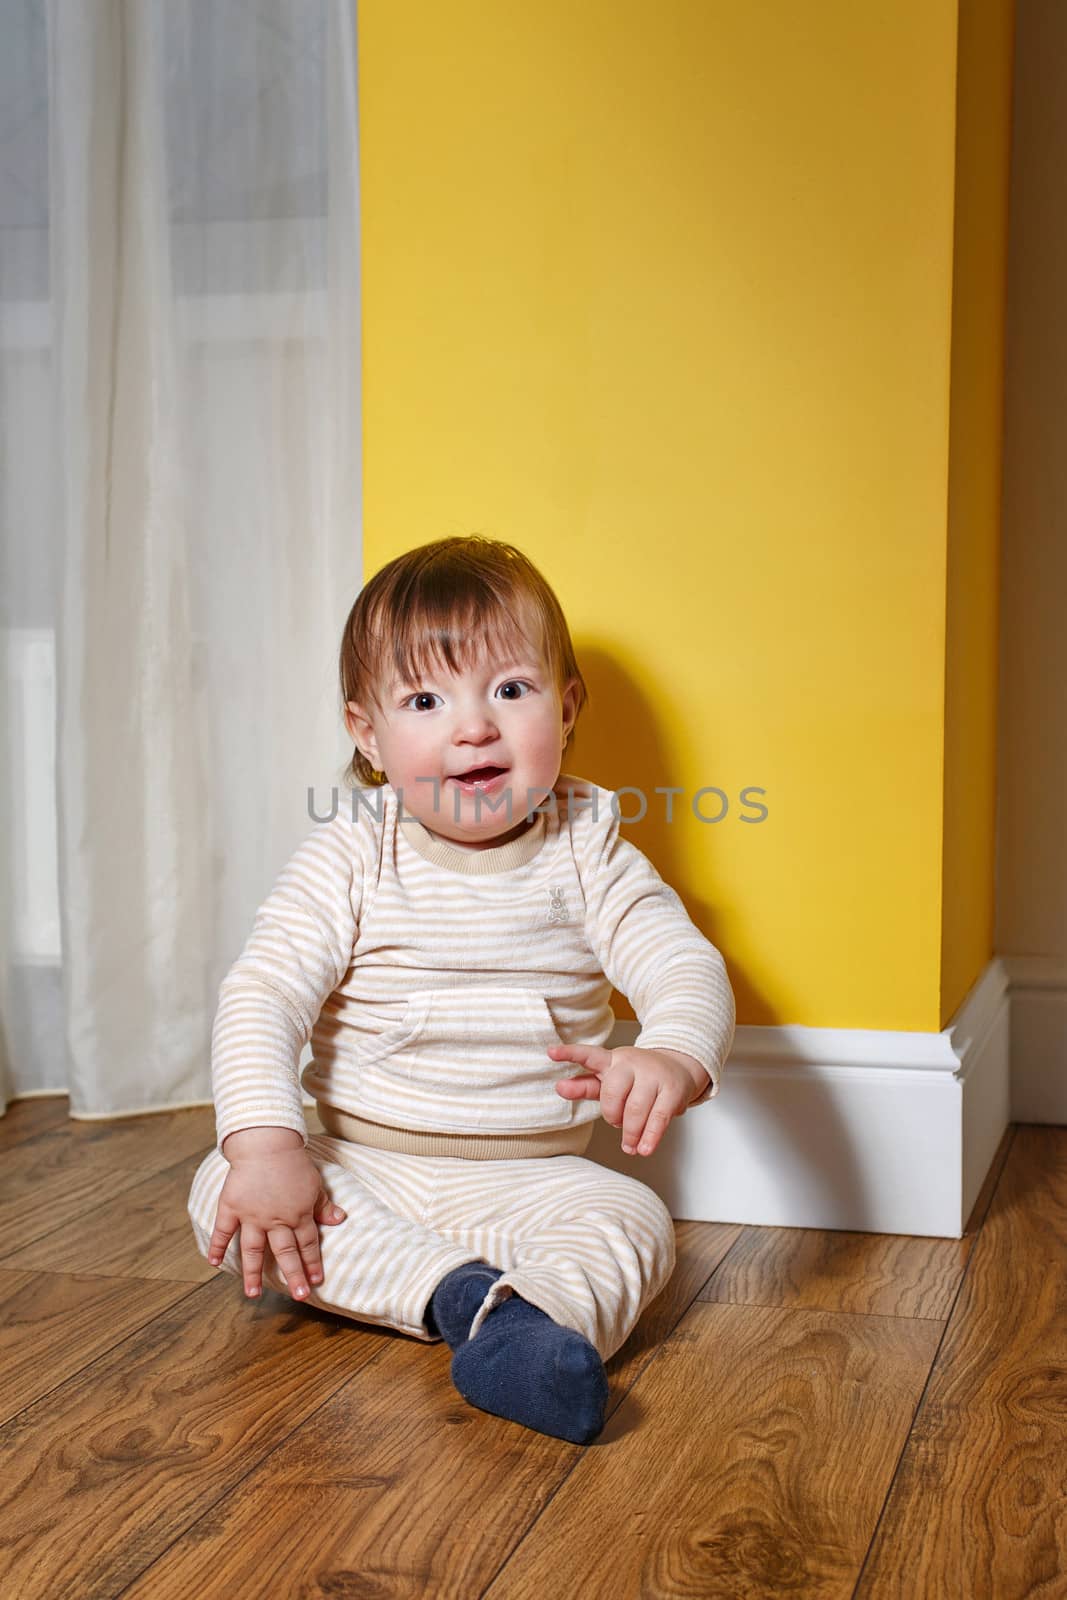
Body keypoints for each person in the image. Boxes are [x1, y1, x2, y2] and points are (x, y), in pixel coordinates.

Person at [187, 535, 735, 1444]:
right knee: (224, 1189)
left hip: (532, 1177)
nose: (472, 727)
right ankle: (466, 1301)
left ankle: (530, 1328)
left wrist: (674, 1050)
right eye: (425, 701)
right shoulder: (354, 852)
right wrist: (265, 1144)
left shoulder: (588, 849)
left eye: (510, 692)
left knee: (634, 1218)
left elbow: (681, 963)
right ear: (368, 734)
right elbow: (264, 993)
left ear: (565, 709)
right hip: (358, 1166)